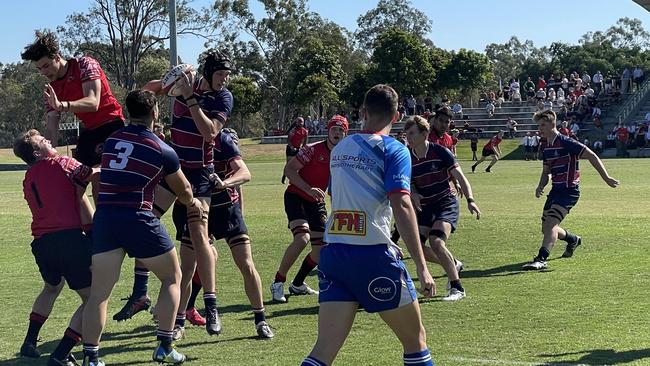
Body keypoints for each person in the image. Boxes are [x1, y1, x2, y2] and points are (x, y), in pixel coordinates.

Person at [300, 84, 435, 366]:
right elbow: (401, 204)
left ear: (363, 112)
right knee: (415, 341)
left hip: (334, 253)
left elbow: (336, 195)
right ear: (397, 116)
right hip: (372, 253)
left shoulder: (340, 148)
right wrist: (422, 267)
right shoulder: (395, 150)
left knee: (323, 351)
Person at [80, 90, 197, 365]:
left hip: (106, 218)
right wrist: (195, 204)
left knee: (99, 294)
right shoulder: (162, 149)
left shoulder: (111, 141)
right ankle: (165, 346)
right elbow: (184, 190)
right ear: (155, 112)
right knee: (172, 277)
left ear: (128, 111)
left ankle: (91, 357)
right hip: (137, 217)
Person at [142, 50, 233, 335]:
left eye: (226, 75)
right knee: (143, 218)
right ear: (207, 73)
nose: (224, 79)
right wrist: (173, 78)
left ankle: (211, 305)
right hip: (173, 169)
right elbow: (146, 92)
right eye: (220, 74)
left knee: (199, 235)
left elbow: (210, 133)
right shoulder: (188, 83)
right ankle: (138, 290)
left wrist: (190, 98)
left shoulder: (223, 98)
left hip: (200, 174)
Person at [171, 128, 274, 339]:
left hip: (226, 209)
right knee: (187, 267)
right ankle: (179, 322)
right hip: (196, 209)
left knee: (246, 264)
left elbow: (244, 173)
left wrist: (224, 183)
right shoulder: (184, 139)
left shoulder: (223, 141)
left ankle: (261, 319)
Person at [13, 129, 97, 366]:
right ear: (38, 151)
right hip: (68, 240)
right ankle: (61, 353)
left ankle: (29, 341)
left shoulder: (29, 176)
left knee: (52, 287)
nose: (50, 140)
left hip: (42, 244)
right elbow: (91, 174)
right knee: (93, 299)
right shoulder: (62, 163)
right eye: (44, 140)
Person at [20, 31, 124, 200]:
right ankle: (87, 226)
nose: (43, 72)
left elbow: (93, 102)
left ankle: (104, 224)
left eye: (46, 66)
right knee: (73, 182)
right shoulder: (51, 90)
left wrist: (62, 105)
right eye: (39, 69)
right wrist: (46, 159)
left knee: (99, 180)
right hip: (90, 132)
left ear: (57, 56)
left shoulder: (85, 64)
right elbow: (52, 126)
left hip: (112, 125)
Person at [523, 110, 619, 270]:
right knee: (546, 229)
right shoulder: (545, 145)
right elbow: (546, 171)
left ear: (552, 124)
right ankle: (573, 239)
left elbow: (592, 155)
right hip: (555, 191)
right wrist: (541, 185)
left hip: (569, 191)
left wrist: (606, 178)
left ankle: (541, 259)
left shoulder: (566, 142)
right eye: (539, 126)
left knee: (551, 225)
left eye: (543, 125)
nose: (540, 129)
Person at [270, 116, 348, 303]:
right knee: (302, 237)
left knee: (321, 250)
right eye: (334, 129)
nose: (337, 133)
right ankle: (278, 282)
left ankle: (297, 284)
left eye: (341, 130)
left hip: (316, 202)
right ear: (328, 131)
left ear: (345, 134)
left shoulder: (343, 155)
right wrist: (308, 189)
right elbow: (289, 170)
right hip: (296, 196)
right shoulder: (312, 150)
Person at [404, 116, 481, 302]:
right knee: (417, 248)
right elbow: (409, 181)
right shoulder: (406, 156)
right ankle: (453, 263)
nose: (408, 137)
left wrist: (470, 200)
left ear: (425, 134)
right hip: (425, 207)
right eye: (406, 134)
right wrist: (413, 192)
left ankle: (457, 287)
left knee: (436, 242)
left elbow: (461, 178)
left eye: (412, 133)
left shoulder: (440, 152)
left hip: (445, 202)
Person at [282, 117, 309, 184]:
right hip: (290, 149)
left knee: (296, 165)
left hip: (298, 149)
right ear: (296, 122)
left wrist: (302, 149)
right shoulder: (293, 131)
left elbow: (305, 142)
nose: (300, 123)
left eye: (301, 122)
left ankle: (292, 179)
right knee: (289, 164)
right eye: (299, 121)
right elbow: (288, 140)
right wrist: (291, 147)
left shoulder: (305, 131)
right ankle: (284, 176)